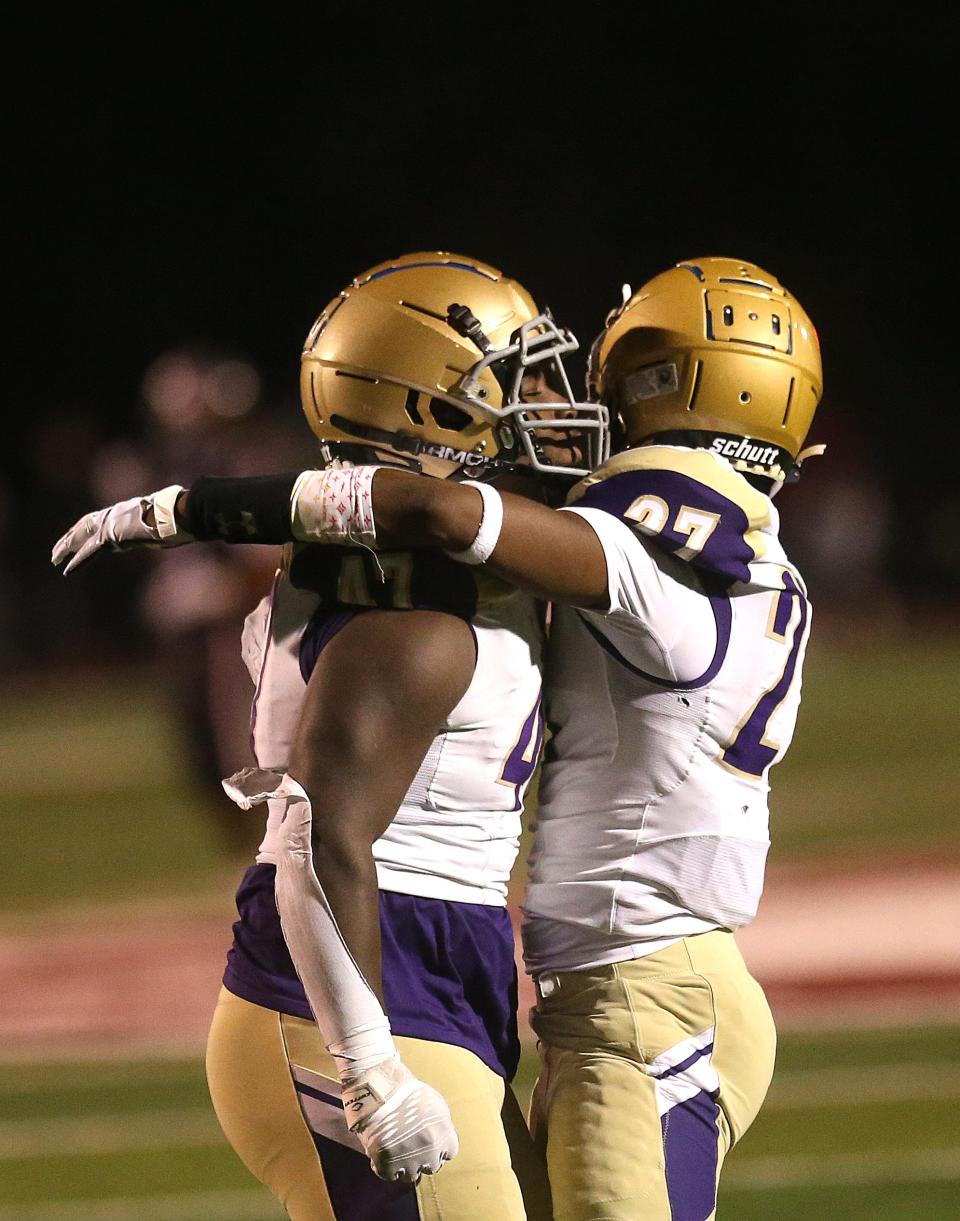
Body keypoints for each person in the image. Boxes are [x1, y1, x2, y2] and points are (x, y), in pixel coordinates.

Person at [55, 254, 823, 1220]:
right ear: (437, 402)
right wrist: (370, 1069)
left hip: (441, 964)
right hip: (370, 978)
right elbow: (314, 836)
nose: (554, 399)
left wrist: (190, 508)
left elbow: (417, 509)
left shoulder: (464, 561)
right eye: (520, 378)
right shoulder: (423, 606)